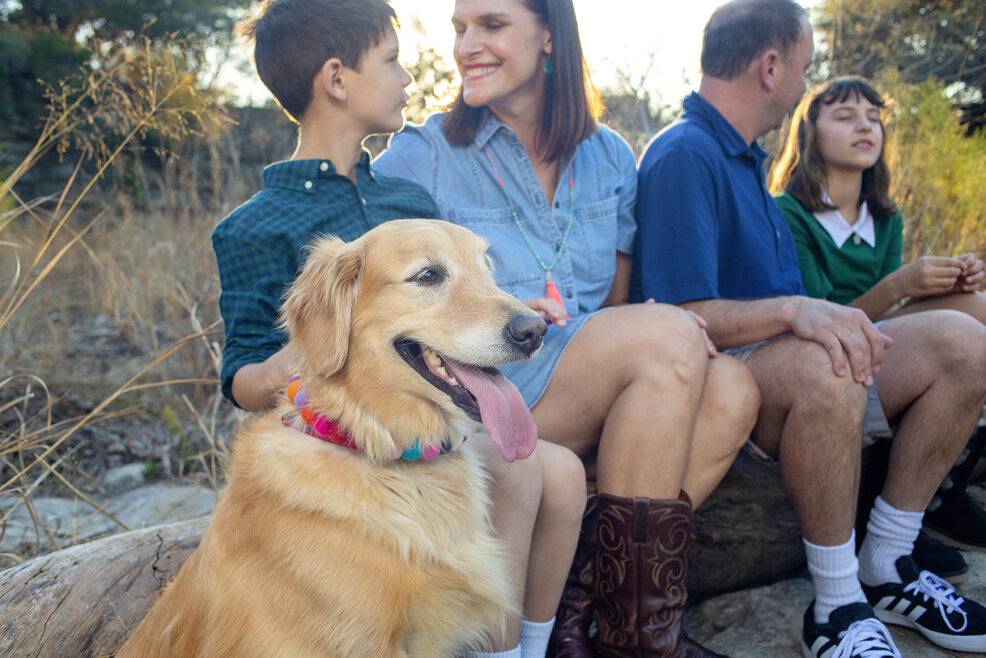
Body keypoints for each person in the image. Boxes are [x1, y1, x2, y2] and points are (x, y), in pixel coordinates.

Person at [374, 0, 760, 655]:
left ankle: (597, 610)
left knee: (733, 388)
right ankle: (637, 638)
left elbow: (611, 306)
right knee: (666, 337)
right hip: (476, 389)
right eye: (460, 29)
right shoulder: (423, 155)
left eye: (491, 25)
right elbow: (383, 300)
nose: (468, 45)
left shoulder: (610, 157)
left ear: (551, 36)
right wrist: (495, 305)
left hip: (575, 384)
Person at [211, 2, 586, 656]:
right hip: (340, 448)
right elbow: (243, 378)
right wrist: (324, 336)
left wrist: (504, 307)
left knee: (563, 475)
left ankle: (530, 646)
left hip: (428, 430)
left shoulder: (405, 203)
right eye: (392, 60)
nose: (410, 76)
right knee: (526, 473)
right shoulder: (252, 226)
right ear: (337, 79)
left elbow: (442, 294)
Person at [632, 1, 986, 656]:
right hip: (734, 382)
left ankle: (888, 561)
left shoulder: (749, 167)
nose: (803, 84)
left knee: (966, 343)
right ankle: (837, 604)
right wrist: (800, 312)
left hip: (789, 367)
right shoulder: (685, 154)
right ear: (771, 67)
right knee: (824, 361)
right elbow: (672, 316)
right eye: (804, 68)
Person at [768, 75, 986, 565]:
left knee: (976, 307)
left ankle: (944, 481)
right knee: (957, 328)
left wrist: (945, 284)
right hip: (823, 352)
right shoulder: (787, 214)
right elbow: (816, 317)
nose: (865, 126)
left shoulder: (886, 217)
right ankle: (888, 516)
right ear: (810, 133)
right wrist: (902, 285)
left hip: (874, 340)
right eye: (845, 116)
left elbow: (891, 313)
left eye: (874, 117)